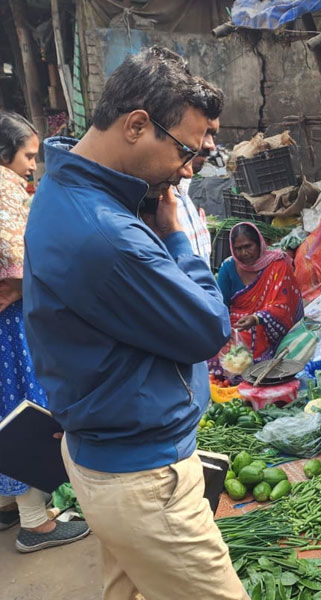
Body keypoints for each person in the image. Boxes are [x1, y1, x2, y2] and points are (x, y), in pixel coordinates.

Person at [22, 47, 248, 599]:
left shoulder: (63, 186)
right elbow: (207, 327)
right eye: (185, 151)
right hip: (144, 480)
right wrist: (176, 238)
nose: (189, 168)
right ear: (137, 125)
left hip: (102, 455)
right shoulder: (109, 236)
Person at [0, 111, 92, 552]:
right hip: (11, 323)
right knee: (28, 409)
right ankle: (35, 523)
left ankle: (8, 503)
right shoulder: (6, 189)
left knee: (4, 407)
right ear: (6, 153)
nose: (32, 166)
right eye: (28, 156)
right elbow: (24, 262)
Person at [209, 222, 303, 379]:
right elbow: (221, 305)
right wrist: (224, 329)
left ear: (259, 244)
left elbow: (282, 304)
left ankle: (256, 375)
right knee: (217, 343)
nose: (244, 253)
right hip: (236, 321)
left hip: (269, 323)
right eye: (238, 248)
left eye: (248, 246)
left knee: (250, 335)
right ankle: (224, 380)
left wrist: (256, 318)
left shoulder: (278, 264)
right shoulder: (228, 267)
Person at [173, 115, 219, 264]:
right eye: (202, 131)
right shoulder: (153, 208)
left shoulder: (184, 193)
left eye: (212, 134)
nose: (210, 145)